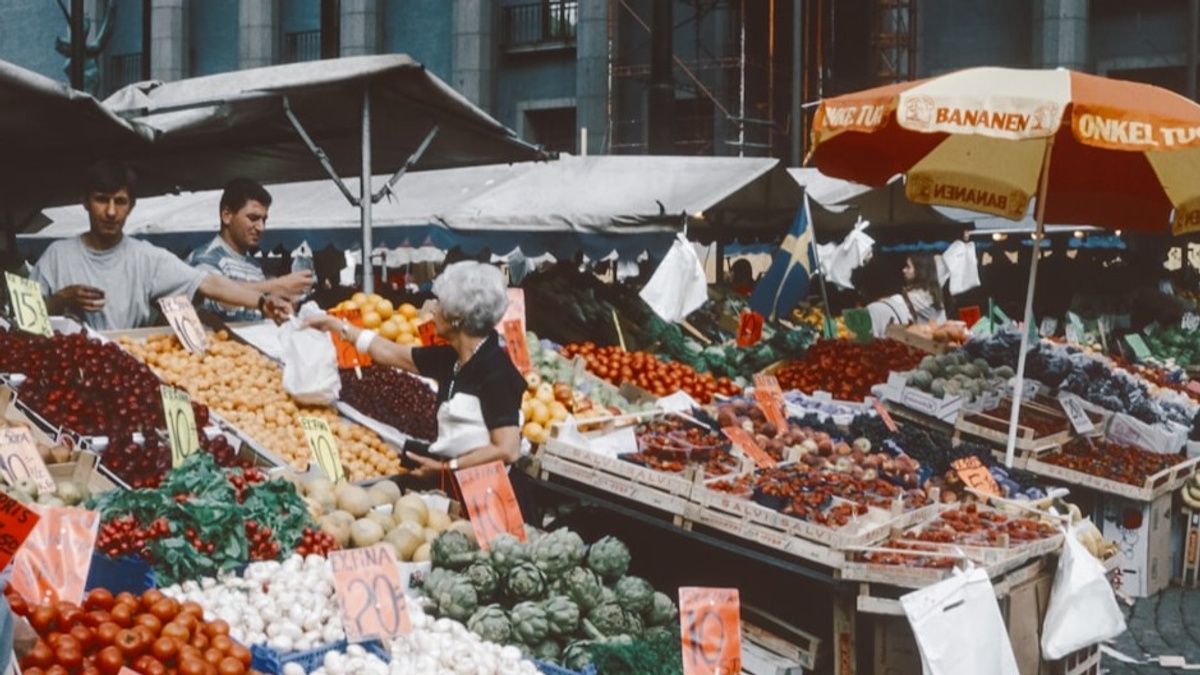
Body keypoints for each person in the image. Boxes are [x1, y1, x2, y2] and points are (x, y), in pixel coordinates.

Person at [304, 261, 527, 479]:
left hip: (492, 496)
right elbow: (388, 352)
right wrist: (335, 325)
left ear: (458, 318)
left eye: (439, 304)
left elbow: (507, 449)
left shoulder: (494, 370)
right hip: (459, 483)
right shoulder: (452, 358)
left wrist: (449, 467)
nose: (433, 310)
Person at [32, 160, 293, 330]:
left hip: (127, 374)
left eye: (120, 201)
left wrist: (261, 302)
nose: (111, 212)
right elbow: (23, 319)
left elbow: (208, 283)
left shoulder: (148, 258)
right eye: (102, 199)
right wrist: (61, 299)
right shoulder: (57, 256)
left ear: (131, 206)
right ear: (85, 202)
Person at [186, 177, 314, 322]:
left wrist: (283, 303)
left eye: (264, 220)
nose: (261, 227)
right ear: (227, 215)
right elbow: (216, 295)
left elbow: (260, 312)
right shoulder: (206, 258)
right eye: (253, 218)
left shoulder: (254, 266)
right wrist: (277, 285)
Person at [900, 253, 946, 323]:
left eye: (908, 267)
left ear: (919, 270)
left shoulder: (912, 296)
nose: (904, 270)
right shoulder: (935, 291)